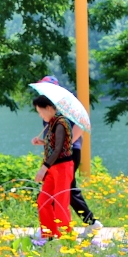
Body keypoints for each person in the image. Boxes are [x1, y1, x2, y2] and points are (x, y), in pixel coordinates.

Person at [32, 76, 103, 237]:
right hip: (56, 157)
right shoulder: (50, 115)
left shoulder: (63, 112)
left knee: (64, 194)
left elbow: (81, 126)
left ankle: (71, 228)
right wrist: (44, 142)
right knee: (63, 193)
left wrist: (66, 145)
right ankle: (52, 229)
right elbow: (54, 142)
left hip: (69, 154)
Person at [32, 95, 75, 239]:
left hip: (62, 168)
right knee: (43, 201)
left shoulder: (61, 123)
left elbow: (58, 150)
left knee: (61, 205)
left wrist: (43, 168)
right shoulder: (52, 122)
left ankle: (67, 239)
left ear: (49, 108)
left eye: (40, 111)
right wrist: (43, 142)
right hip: (53, 168)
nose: (40, 115)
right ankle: (49, 235)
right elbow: (55, 145)